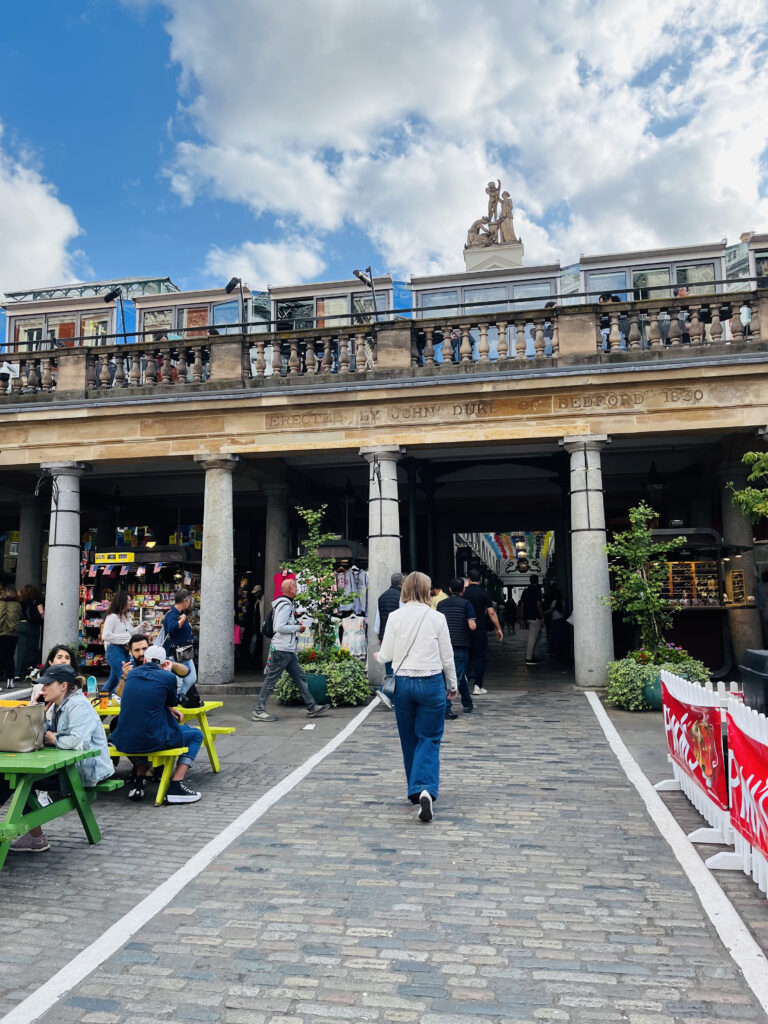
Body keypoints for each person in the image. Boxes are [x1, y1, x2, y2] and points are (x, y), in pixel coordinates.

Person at [377, 571, 457, 823]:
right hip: (431, 681)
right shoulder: (437, 618)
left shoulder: (395, 617)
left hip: (403, 684)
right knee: (430, 738)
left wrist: (378, 657)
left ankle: (415, 791)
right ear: (426, 590)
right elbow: (447, 656)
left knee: (408, 738)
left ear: (405, 589)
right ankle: (425, 789)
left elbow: (386, 654)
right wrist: (452, 683)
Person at [8, 663, 114, 853]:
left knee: (18, 780)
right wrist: (40, 708)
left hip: (83, 771)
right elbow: (36, 734)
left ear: (63, 686)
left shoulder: (78, 705)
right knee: (12, 778)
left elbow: (77, 741)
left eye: (48, 684)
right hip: (71, 767)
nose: (43, 688)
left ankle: (34, 837)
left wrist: (53, 738)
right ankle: (35, 837)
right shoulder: (59, 705)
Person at [110, 644, 203, 804]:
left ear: (144, 660)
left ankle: (141, 777)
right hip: (154, 739)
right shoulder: (167, 677)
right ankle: (176, 784)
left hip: (124, 741)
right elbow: (172, 700)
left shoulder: (131, 675)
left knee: (143, 727)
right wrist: (167, 673)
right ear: (164, 662)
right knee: (195, 735)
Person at [251, 579, 331, 723]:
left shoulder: (284, 604)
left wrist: (294, 623)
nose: (298, 589)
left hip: (287, 649)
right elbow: (279, 627)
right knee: (271, 680)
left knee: (300, 677)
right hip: (282, 649)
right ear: (289, 588)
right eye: (295, 587)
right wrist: (297, 628)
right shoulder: (285, 605)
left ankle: (311, 707)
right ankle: (259, 710)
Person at [437, 578, 476, 715]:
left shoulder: (441, 605)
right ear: (463, 590)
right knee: (455, 676)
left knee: (457, 674)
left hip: (443, 643)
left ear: (450, 589)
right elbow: (472, 625)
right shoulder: (466, 604)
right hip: (460, 643)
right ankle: (446, 708)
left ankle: (467, 702)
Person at [463, 570, 503, 695]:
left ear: (468, 579)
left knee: (466, 656)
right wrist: (498, 628)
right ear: (479, 580)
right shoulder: (484, 593)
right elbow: (491, 612)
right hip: (480, 629)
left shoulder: (463, 593)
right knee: (479, 657)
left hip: (465, 629)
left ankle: (463, 683)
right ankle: (477, 686)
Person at [161, 589, 198, 699]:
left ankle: (179, 698)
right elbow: (171, 628)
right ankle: (176, 700)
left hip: (185, 653)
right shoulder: (172, 614)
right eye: (190, 600)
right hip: (176, 654)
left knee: (191, 678)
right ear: (185, 601)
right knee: (180, 681)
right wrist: (183, 620)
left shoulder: (180, 613)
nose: (191, 603)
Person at [102, 592, 136, 695]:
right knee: (124, 675)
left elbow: (130, 633)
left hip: (125, 652)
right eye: (129, 600)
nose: (131, 602)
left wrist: (141, 628)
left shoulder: (127, 616)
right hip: (114, 651)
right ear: (122, 602)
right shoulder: (112, 617)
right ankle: (119, 697)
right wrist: (125, 638)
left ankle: (104, 696)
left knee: (113, 680)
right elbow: (105, 636)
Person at [15, 584, 44, 680]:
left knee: (20, 651)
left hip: (21, 625)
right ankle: (29, 671)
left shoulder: (20, 601)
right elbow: (41, 613)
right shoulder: (36, 601)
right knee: (32, 648)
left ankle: (17, 673)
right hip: (32, 627)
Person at [0, 583, 21, 688]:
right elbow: (20, 617)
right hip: (12, 634)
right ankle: (10, 680)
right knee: (9, 657)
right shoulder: (17, 605)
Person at [521, 574, 545, 665]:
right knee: (532, 638)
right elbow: (538, 604)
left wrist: (521, 617)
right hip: (535, 616)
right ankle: (529, 658)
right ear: (537, 580)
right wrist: (542, 616)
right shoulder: (537, 591)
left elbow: (522, 605)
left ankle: (532, 655)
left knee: (534, 637)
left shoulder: (525, 591)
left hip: (527, 616)